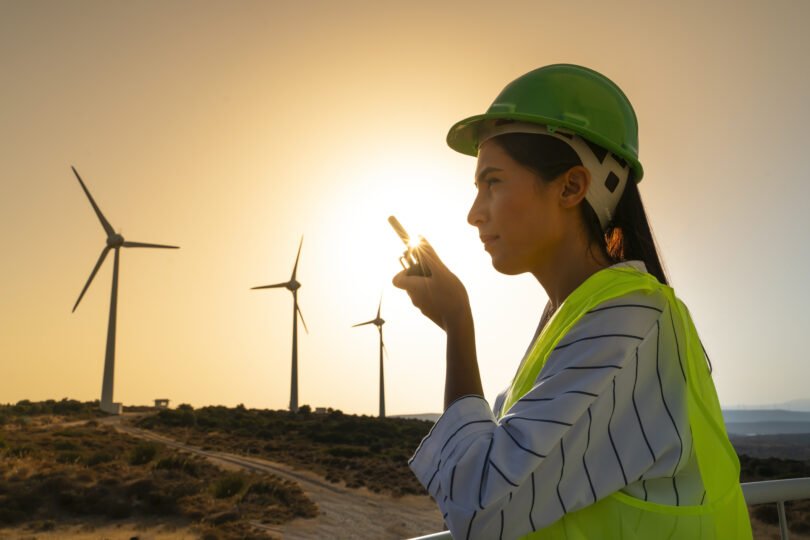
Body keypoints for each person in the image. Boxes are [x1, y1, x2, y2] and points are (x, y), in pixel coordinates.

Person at [392, 64, 752, 539]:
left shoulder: (630, 323)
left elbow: (480, 508)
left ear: (571, 187)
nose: (474, 213)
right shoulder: (582, 317)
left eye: (492, 182)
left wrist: (458, 322)